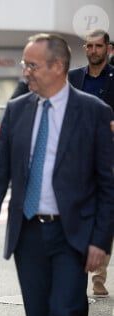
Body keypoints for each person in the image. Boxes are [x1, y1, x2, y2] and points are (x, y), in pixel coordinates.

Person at [0, 33, 114, 316]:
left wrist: (101, 240)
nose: (26, 71)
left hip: (72, 234)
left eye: (32, 65)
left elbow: (108, 184)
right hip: (28, 234)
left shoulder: (93, 111)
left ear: (57, 67)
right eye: (24, 64)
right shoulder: (17, 109)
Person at [68, 29, 114, 297]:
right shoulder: (73, 78)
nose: (94, 50)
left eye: (99, 46)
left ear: (108, 48)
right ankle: (83, 270)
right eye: (90, 46)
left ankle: (99, 274)